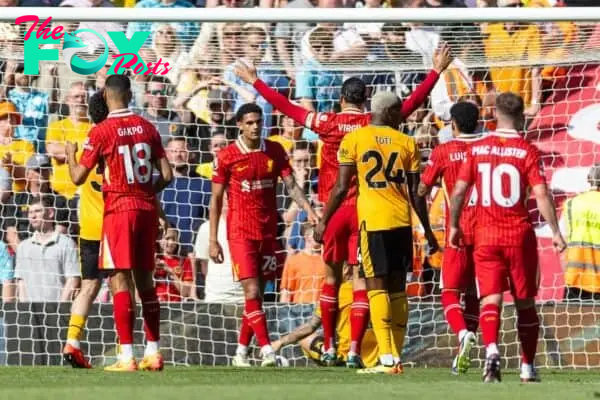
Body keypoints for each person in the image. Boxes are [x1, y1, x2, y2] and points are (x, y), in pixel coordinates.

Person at [233, 41, 453, 368]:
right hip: (365, 211)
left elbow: (286, 107)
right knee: (365, 281)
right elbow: (408, 105)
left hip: (334, 212)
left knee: (332, 280)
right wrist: (435, 71)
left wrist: (256, 82)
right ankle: (353, 352)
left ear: (340, 100)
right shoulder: (373, 125)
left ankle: (331, 346)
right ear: (366, 101)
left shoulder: (327, 123)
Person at [314, 91, 439, 374]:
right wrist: (428, 231)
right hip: (401, 223)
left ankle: (387, 359)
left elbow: (341, 187)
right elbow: (417, 195)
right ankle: (394, 356)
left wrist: (324, 220)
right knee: (398, 290)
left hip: (373, 223)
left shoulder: (354, 139)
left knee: (375, 288)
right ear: (392, 113)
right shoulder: (407, 143)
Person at [449, 92, 566, 383]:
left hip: (485, 235)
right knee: (525, 302)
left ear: (493, 114)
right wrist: (555, 231)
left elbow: (460, 191)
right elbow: (541, 193)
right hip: (518, 235)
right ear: (522, 116)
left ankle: (491, 350)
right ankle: (527, 367)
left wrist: (453, 225)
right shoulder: (528, 150)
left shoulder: (477, 149)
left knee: (490, 298)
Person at [66, 74, 173, 372]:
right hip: (146, 209)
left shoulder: (101, 131)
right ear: (129, 94)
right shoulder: (149, 127)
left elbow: (77, 178)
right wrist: (143, 192)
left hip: (119, 211)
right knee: (146, 282)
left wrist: (71, 156)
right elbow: (167, 175)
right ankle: (153, 352)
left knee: (118, 279)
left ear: (105, 95)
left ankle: (127, 356)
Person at [209, 103, 319, 367]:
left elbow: (291, 184)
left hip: (269, 232)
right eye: (249, 122)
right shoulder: (227, 156)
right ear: (239, 125)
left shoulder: (275, 150)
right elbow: (215, 199)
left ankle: (240, 352)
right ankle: (268, 350)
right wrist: (213, 239)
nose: (255, 126)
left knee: (256, 297)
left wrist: (309, 210)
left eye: (258, 121)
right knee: (252, 289)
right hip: (240, 233)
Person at [417, 101, 482, 375]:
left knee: (449, 293)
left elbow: (422, 189)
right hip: (486, 232)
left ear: (453, 124)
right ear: (478, 123)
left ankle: (461, 335)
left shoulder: (444, 151)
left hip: (457, 231)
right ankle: (467, 352)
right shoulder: (487, 149)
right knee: (476, 294)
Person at [62, 90, 109, 369]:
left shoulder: (85, 142)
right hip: (115, 226)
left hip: (90, 228)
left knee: (88, 286)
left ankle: (72, 341)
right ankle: (124, 348)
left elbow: (76, 177)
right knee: (123, 286)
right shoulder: (117, 139)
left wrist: (70, 154)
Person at [14, 195, 81, 302]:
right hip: (31, 313)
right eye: (30, 212)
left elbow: (73, 279)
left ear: (50, 213)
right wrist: (25, 310)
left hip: (59, 312)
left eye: (37, 211)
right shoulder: (23, 247)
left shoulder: (66, 244)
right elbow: (21, 282)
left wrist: (60, 309)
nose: (33, 216)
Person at [560, 163, 600, 301]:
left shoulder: (571, 204)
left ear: (589, 179)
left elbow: (564, 244)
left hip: (576, 278)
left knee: (573, 320)